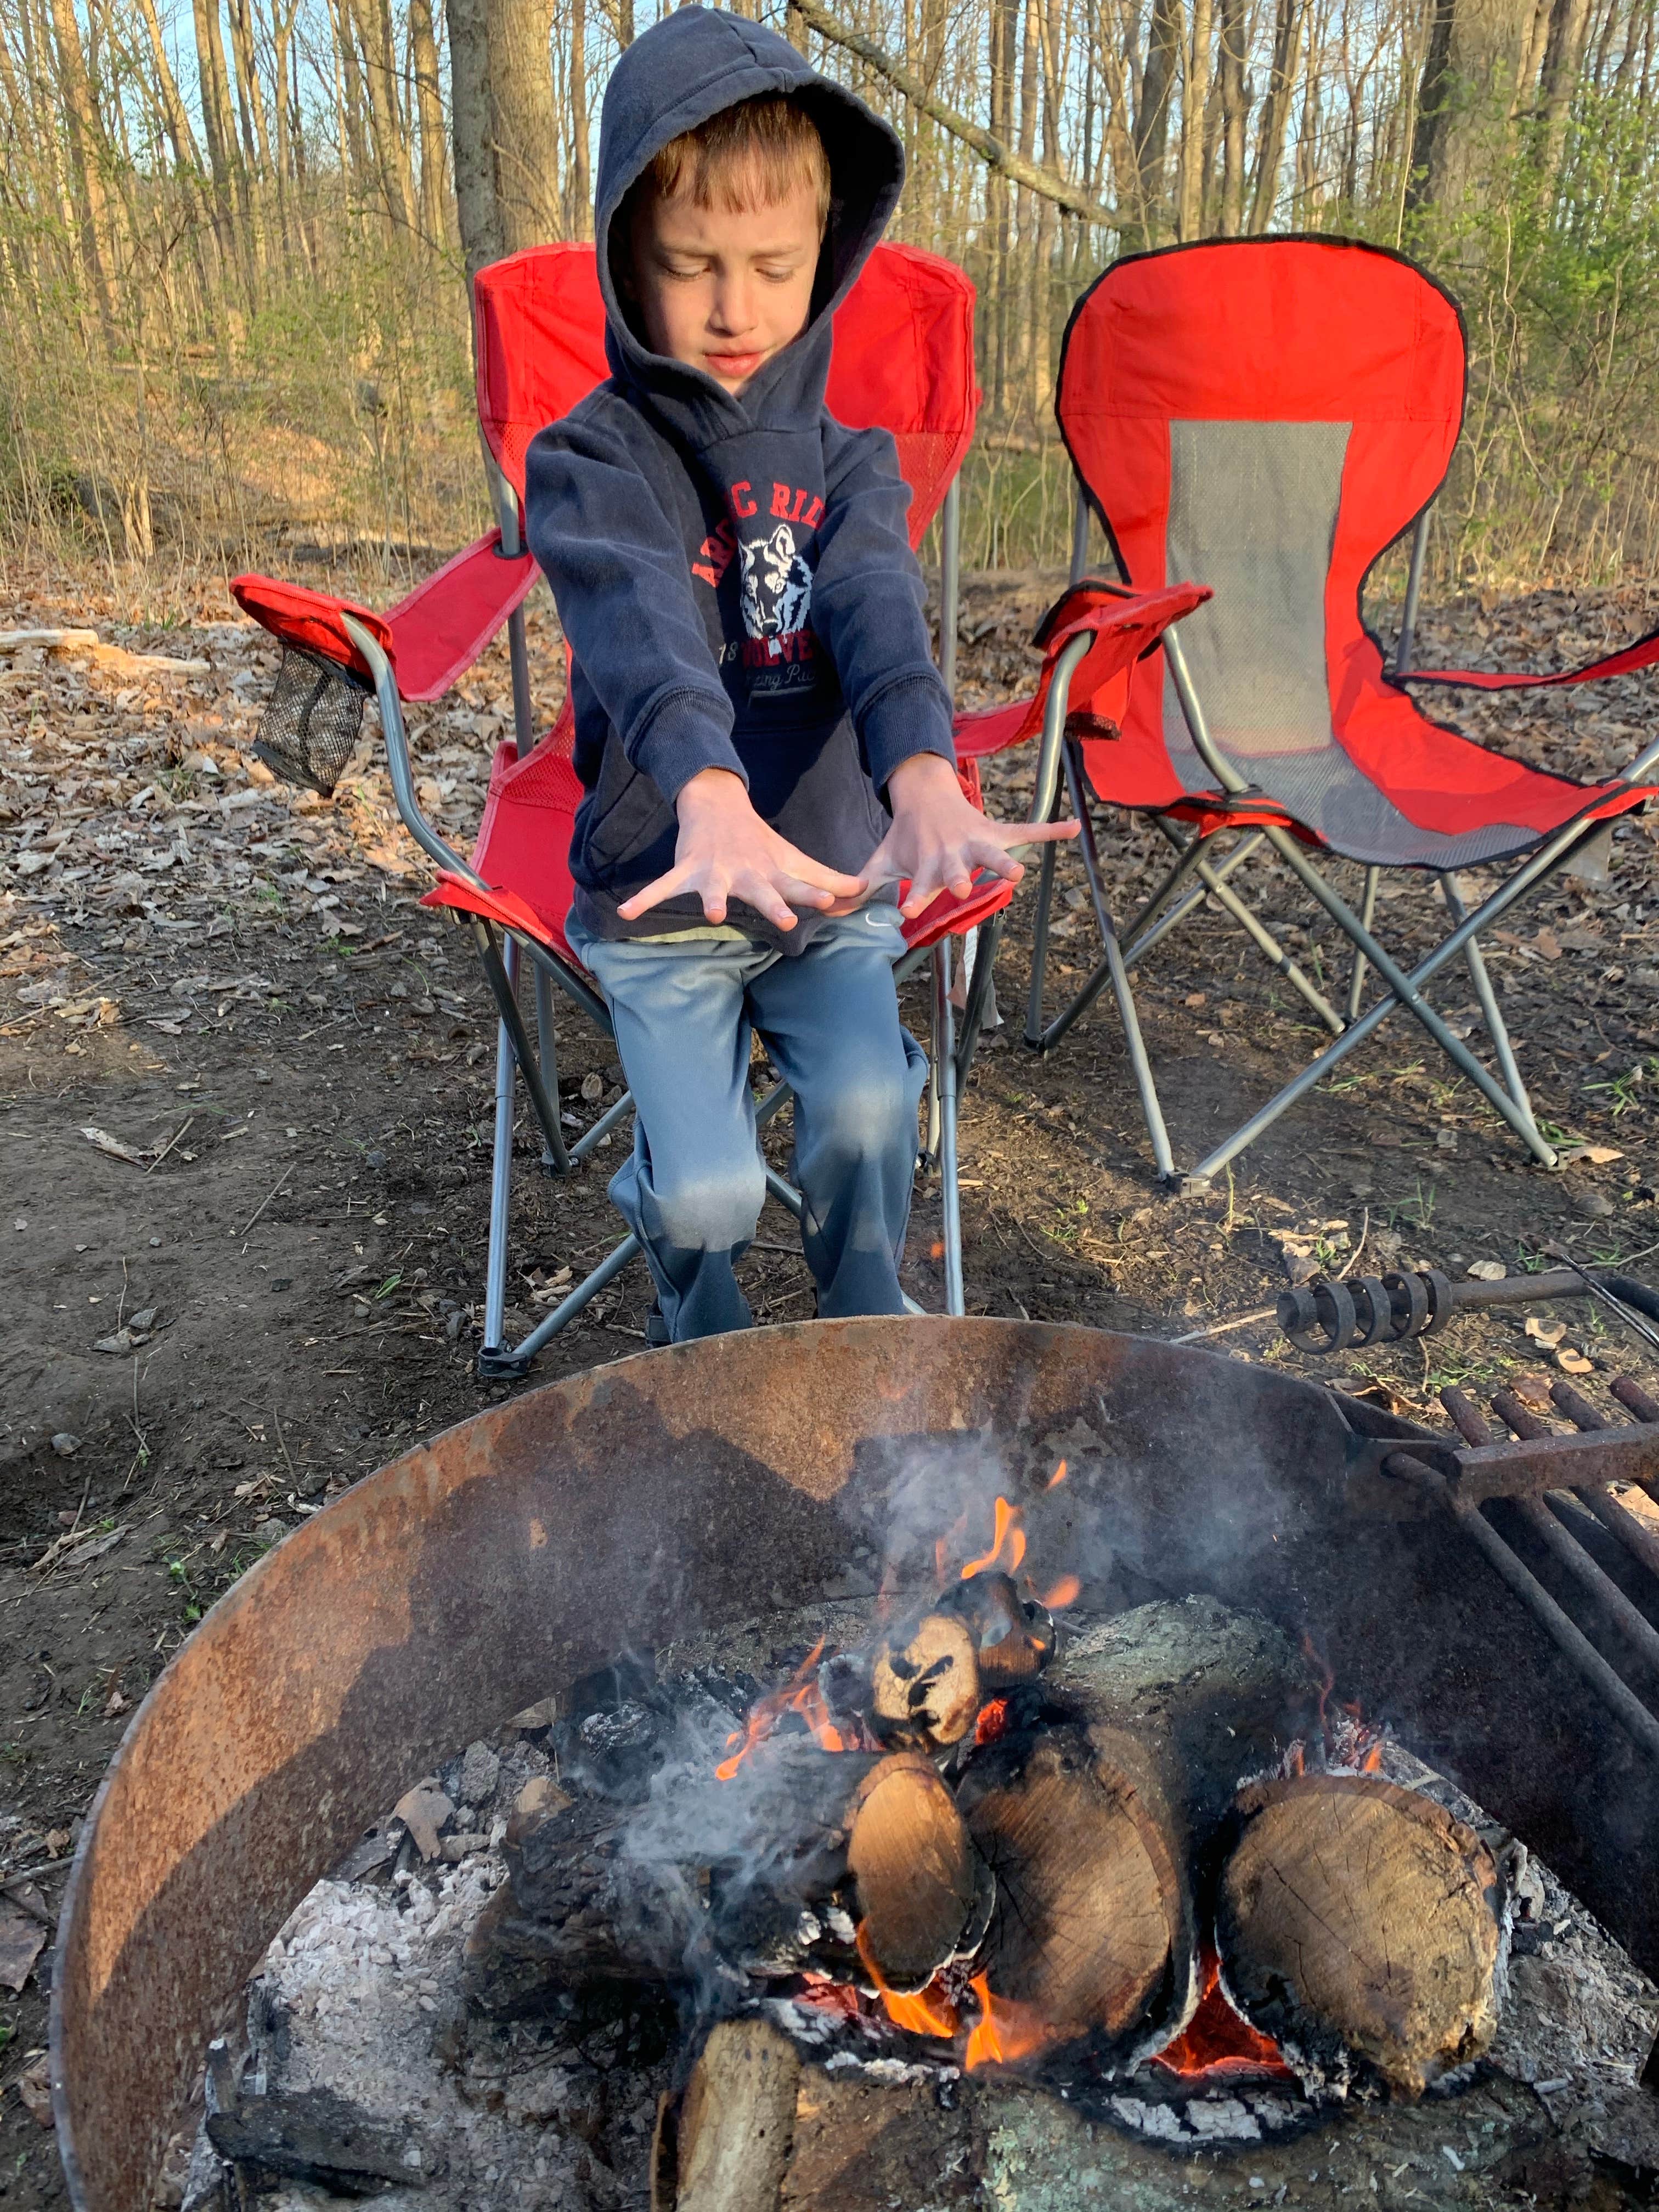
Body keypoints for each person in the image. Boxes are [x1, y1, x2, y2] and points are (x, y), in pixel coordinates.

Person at [525, 6, 1075, 1342]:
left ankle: (864, 1327)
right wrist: (706, 786)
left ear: (826, 258)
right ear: (622, 257)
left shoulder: (851, 460)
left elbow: (878, 610)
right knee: (711, 1192)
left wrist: (926, 772)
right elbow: (643, 624)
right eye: (689, 264)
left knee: (877, 1105)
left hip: (828, 877)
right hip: (670, 886)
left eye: (773, 267)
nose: (733, 309)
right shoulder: (591, 460)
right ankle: (698, 1341)